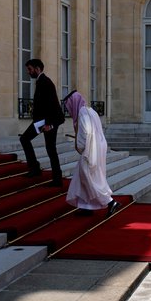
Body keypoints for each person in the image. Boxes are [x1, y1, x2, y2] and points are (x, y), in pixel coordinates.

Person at [63, 90, 120, 218]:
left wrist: (80, 146)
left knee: (89, 178)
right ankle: (86, 207)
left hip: (90, 150)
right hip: (97, 147)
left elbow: (86, 134)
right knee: (82, 178)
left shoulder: (83, 114)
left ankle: (111, 202)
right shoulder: (90, 111)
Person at [20, 58, 65, 186]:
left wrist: (49, 125)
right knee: (25, 139)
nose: (28, 72)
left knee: (50, 149)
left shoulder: (45, 82)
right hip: (41, 122)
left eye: (30, 69)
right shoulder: (41, 81)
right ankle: (35, 168)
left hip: (48, 122)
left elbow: (52, 105)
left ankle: (56, 179)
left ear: (37, 68)